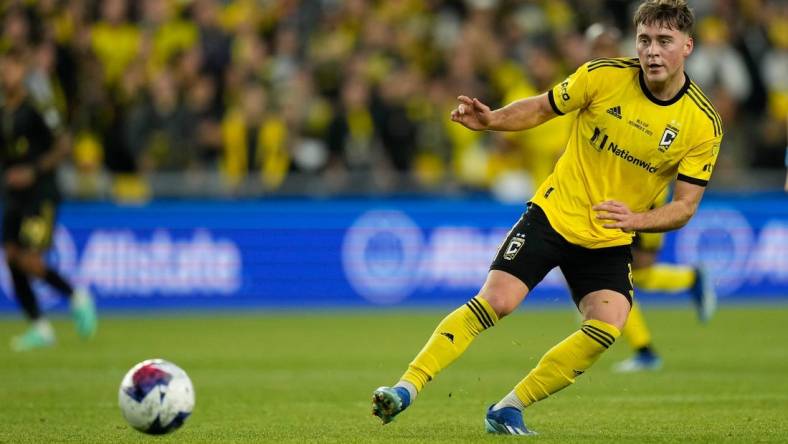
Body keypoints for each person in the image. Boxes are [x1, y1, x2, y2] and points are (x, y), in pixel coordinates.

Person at [371, 0, 722, 435]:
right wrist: (493, 120)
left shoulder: (702, 124)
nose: (652, 51)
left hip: (610, 234)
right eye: (645, 40)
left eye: (664, 42)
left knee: (609, 322)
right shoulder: (603, 76)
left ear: (687, 46)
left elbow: (686, 205)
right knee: (497, 300)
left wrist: (634, 221)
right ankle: (406, 387)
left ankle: (508, 408)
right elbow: (541, 107)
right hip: (555, 213)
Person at [584, 23, 717, 373]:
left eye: (608, 43)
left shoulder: (641, 85)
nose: (602, 51)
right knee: (632, 276)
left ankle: (644, 350)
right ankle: (689, 281)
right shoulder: (597, 84)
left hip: (644, 204)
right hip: (602, 201)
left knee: (611, 278)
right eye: (596, 45)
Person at [0, 48, 97, 351]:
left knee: (28, 258)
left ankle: (76, 295)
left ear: (21, 69)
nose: (5, 74)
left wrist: (34, 170)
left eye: (10, 67)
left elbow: (64, 144)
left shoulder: (38, 106)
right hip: (14, 196)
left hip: (41, 194)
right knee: (12, 256)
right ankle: (40, 328)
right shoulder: (4, 110)